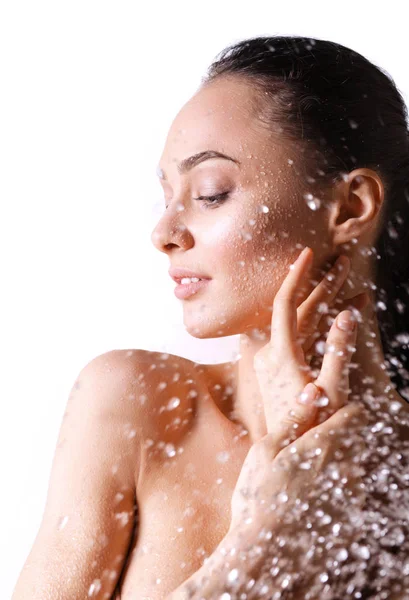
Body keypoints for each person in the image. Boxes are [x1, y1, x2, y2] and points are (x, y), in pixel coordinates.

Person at [12, 35, 409, 600]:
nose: (164, 233)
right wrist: (258, 549)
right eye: (167, 194)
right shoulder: (140, 406)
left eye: (211, 193)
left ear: (348, 207)